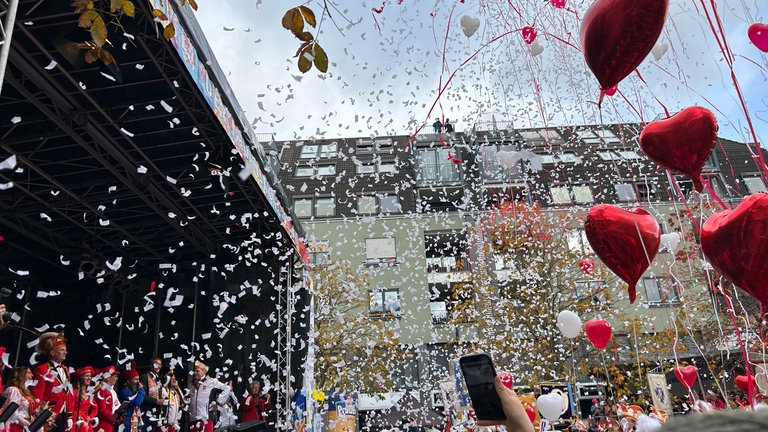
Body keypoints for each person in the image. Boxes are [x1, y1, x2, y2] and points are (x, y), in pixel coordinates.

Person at [31, 332, 74, 432]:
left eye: (65, 350)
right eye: (61, 350)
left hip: (62, 415)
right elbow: (37, 396)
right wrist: (38, 418)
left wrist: (69, 416)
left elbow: (67, 394)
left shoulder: (66, 369)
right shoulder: (42, 369)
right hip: (48, 415)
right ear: (52, 353)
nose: (65, 352)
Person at [186, 360, 231, 432]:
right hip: (193, 420)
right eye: (194, 371)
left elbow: (227, 388)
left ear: (204, 371)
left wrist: (219, 401)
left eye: (197, 371)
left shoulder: (211, 381)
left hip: (205, 420)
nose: (195, 373)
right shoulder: (192, 386)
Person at [2, 365, 42, 432]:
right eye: (29, 373)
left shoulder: (26, 392)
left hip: (23, 427)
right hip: (14, 426)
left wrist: (36, 423)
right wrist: (28, 425)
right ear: (21, 375)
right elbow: (12, 412)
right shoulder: (13, 390)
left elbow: (27, 412)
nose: (32, 375)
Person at [68, 366, 97, 432]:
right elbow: (70, 408)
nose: (89, 378)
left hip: (86, 421)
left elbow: (95, 408)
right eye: (86, 376)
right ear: (81, 378)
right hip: (75, 420)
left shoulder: (89, 393)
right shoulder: (73, 392)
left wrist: (90, 416)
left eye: (90, 376)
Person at [139, 358, 165, 432]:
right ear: (150, 366)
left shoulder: (158, 379)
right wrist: (156, 401)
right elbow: (142, 396)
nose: (158, 366)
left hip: (156, 414)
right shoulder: (144, 377)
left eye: (160, 364)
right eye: (156, 364)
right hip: (146, 414)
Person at [119, 362, 146, 432]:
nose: (138, 382)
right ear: (128, 381)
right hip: (126, 422)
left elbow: (137, 409)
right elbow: (136, 403)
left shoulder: (135, 392)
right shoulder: (124, 392)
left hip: (135, 422)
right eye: (135, 379)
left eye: (138, 379)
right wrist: (141, 390)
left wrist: (140, 425)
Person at [94, 366, 122, 432]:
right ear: (108, 378)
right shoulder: (101, 391)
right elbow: (102, 410)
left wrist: (119, 416)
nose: (116, 378)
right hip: (103, 425)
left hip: (110, 424)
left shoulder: (112, 391)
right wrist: (115, 418)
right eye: (115, 376)